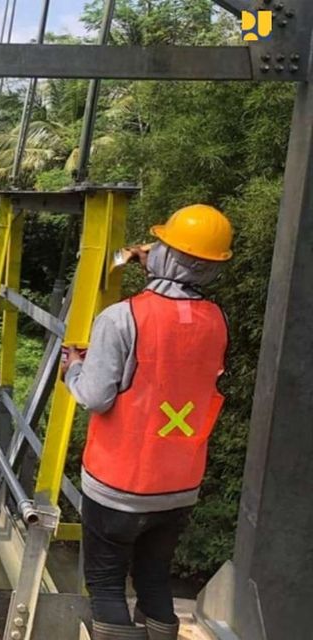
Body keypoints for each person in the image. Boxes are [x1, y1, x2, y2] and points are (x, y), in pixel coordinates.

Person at [61, 205, 233, 640]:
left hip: (119, 483)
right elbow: (174, 329)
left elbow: (95, 397)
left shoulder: (121, 317)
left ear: (170, 255)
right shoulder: (217, 322)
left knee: (105, 584)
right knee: (155, 580)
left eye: (161, 245)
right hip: (178, 485)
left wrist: (74, 368)